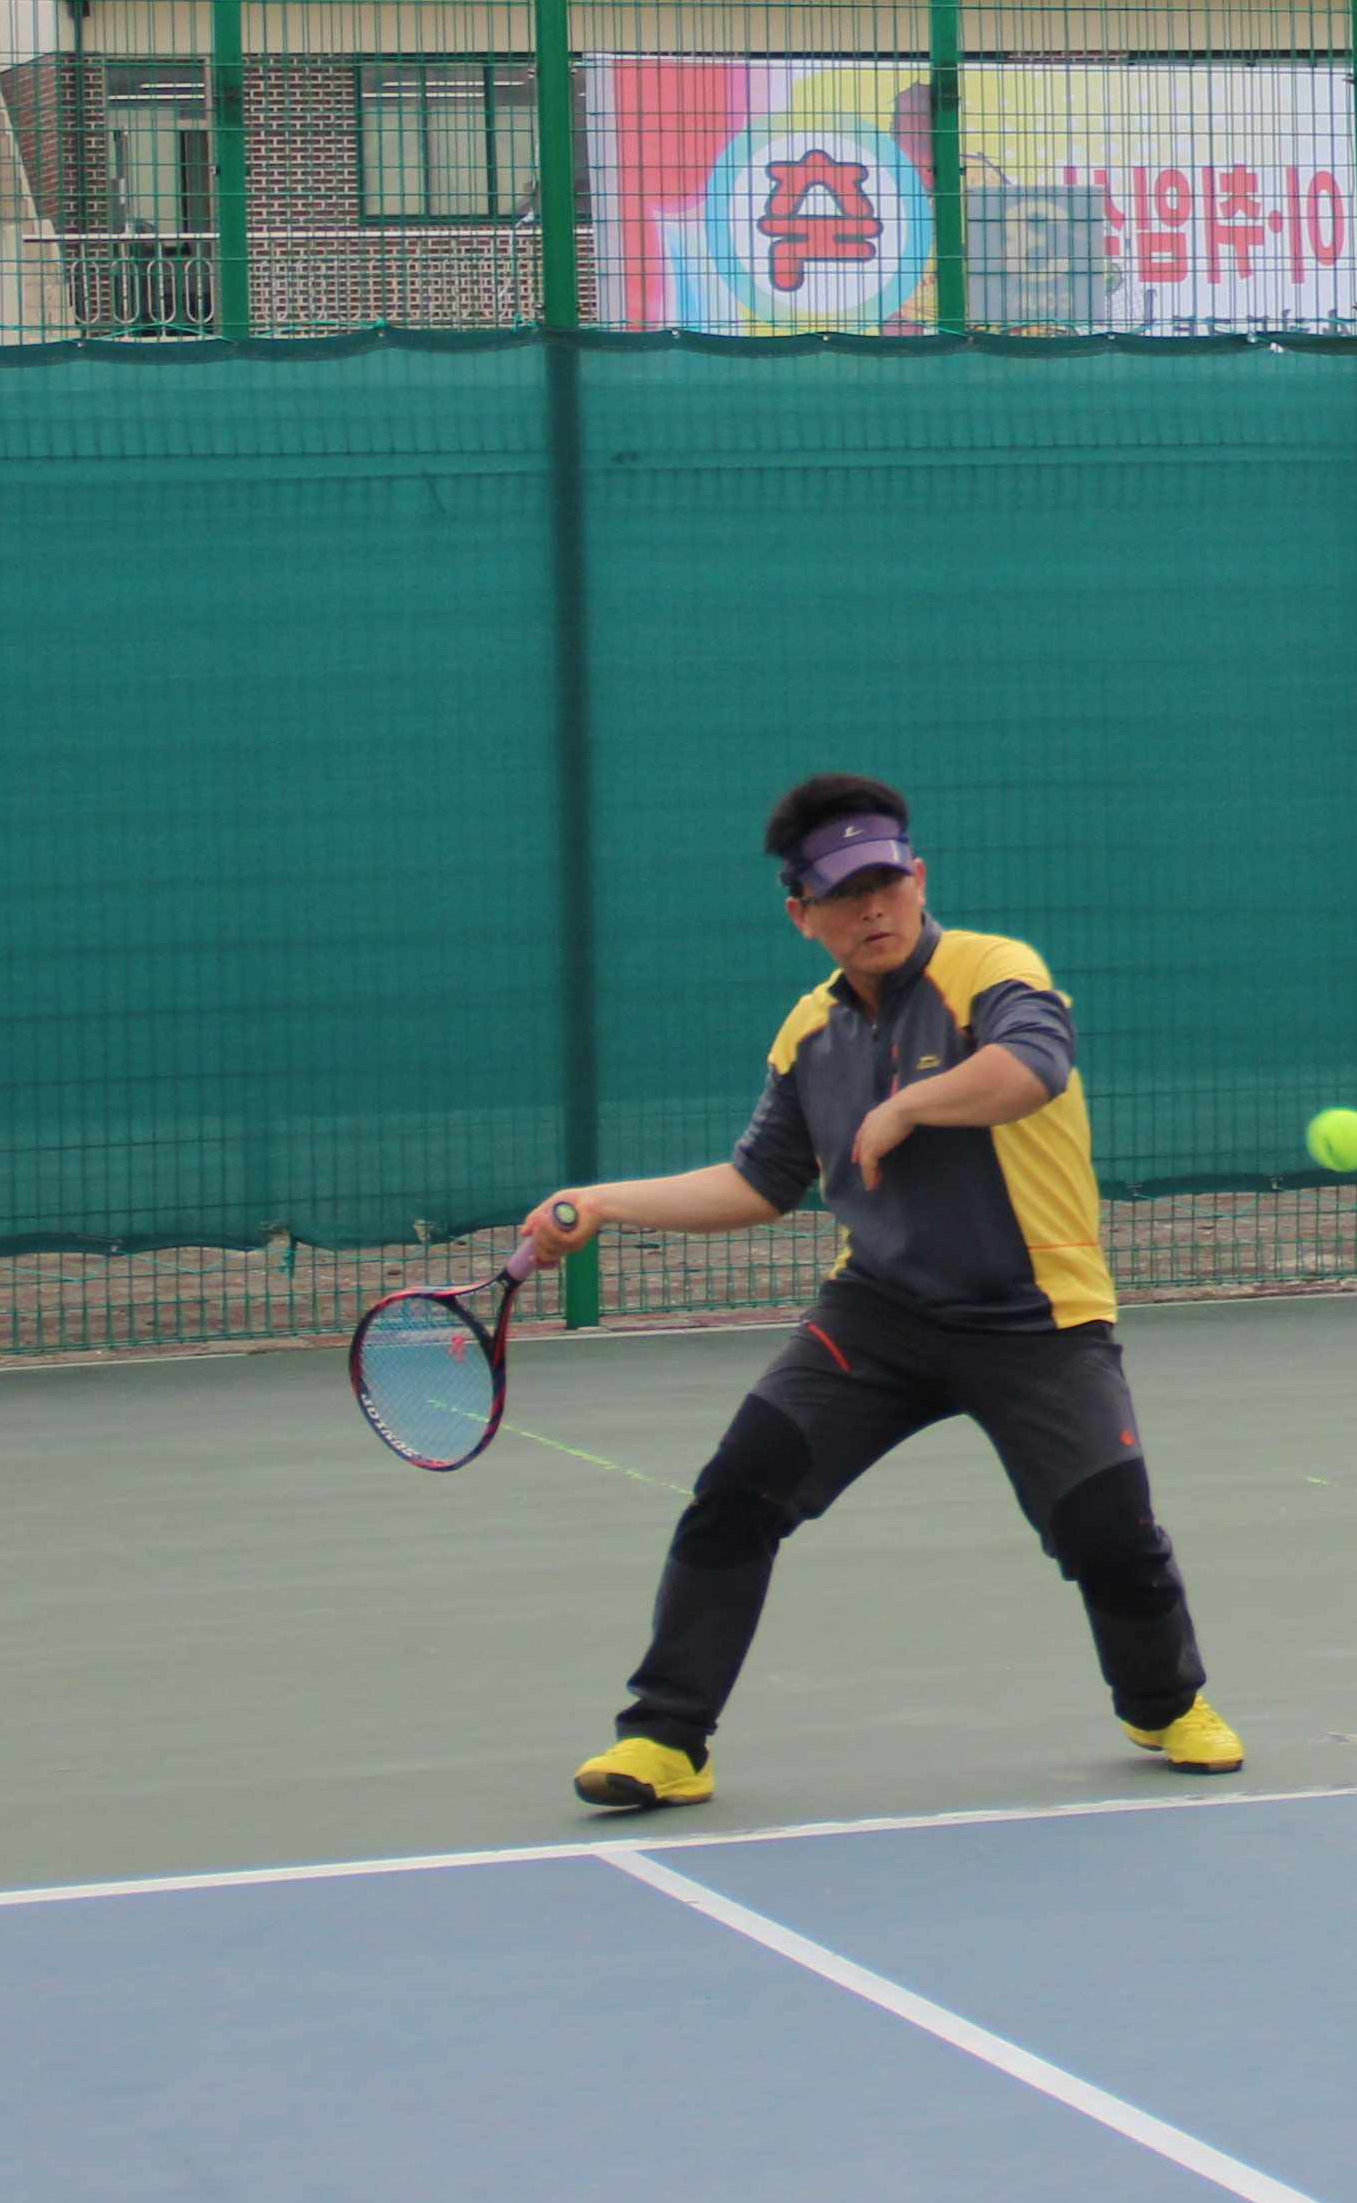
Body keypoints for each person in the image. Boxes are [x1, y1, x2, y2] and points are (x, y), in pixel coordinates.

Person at [528, 772, 1240, 1808]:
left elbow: (1033, 1068)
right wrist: (601, 1201)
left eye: (886, 882)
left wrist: (910, 1106)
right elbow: (760, 1182)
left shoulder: (992, 970)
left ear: (919, 878)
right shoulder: (808, 1034)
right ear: (801, 914)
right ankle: (666, 1740)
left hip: (1037, 1319)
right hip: (880, 1317)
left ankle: (1163, 1701)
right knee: (738, 1491)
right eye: (843, 893)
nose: (873, 909)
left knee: (1110, 1540)